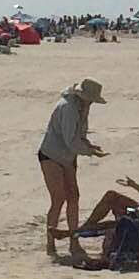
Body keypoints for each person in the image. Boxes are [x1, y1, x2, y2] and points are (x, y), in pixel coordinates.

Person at [37, 77, 106, 256]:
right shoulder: (68, 108)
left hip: (68, 157)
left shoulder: (81, 107)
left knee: (74, 197)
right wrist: (88, 152)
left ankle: (74, 241)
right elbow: (70, 140)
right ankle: (50, 243)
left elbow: (79, 135)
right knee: (58, 199)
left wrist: (89, 146)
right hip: (51, 155)